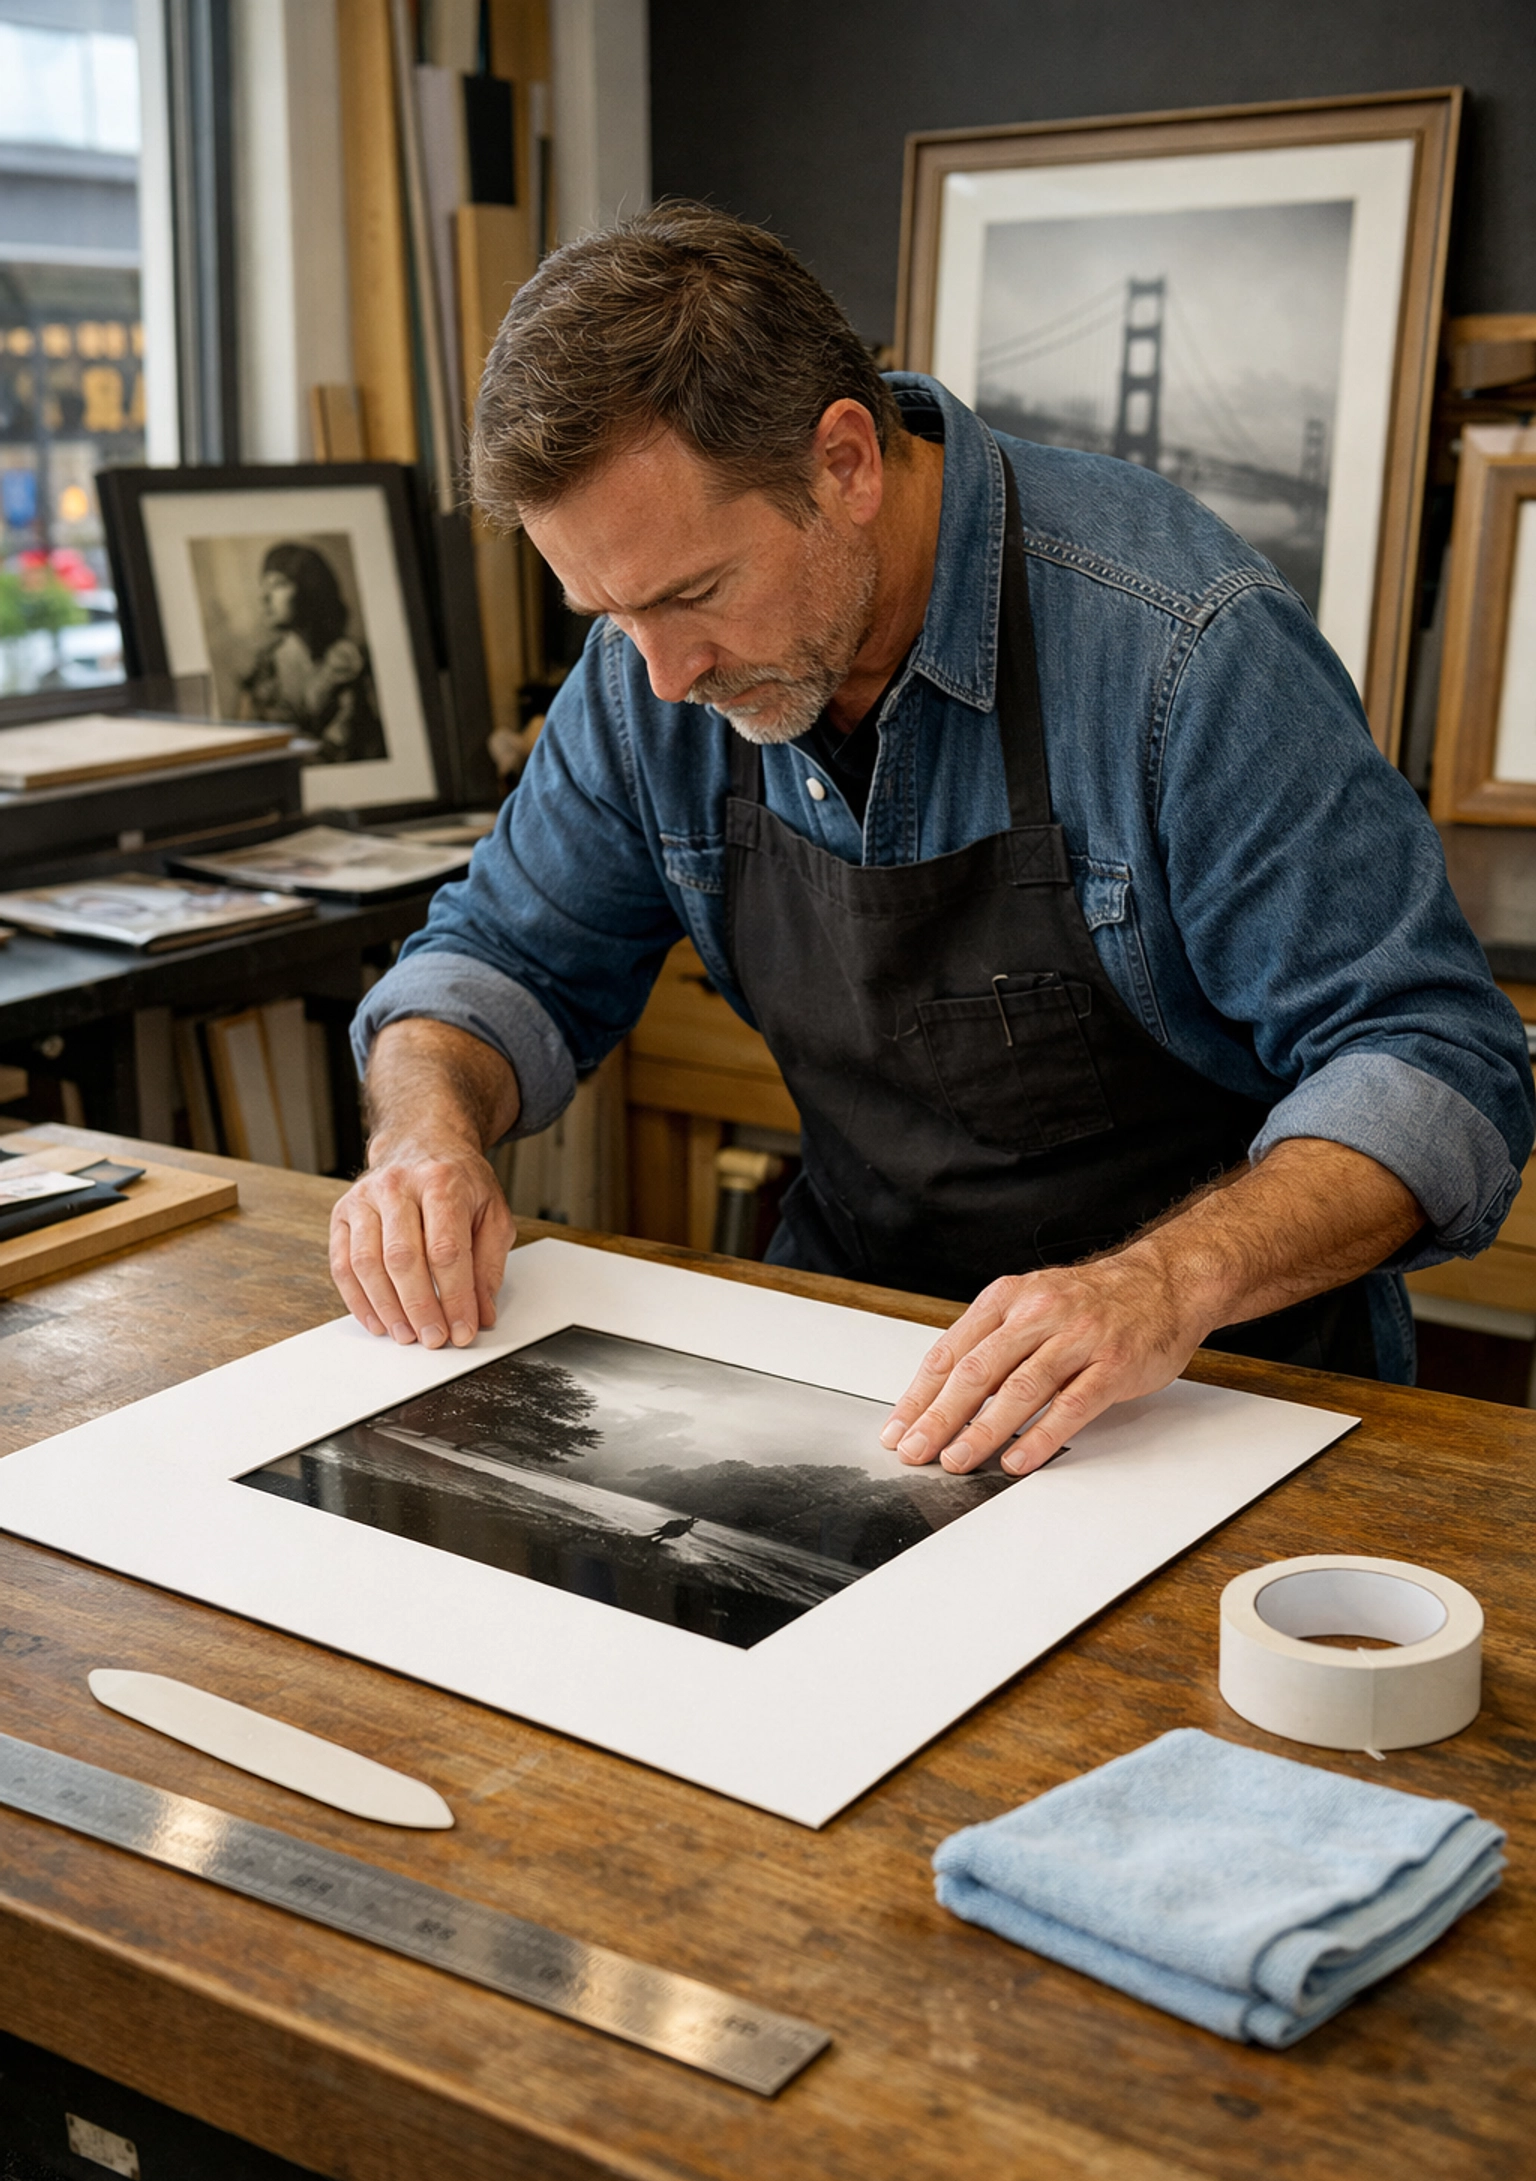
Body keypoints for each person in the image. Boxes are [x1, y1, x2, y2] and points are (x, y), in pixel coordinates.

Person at [331, 203, 1534, 1481]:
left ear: (847, 462)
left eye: (694, 595)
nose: (665, 676)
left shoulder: (1184, 649)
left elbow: (1438, 1059)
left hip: (1213, 1388)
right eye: (608, 612)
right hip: (863, 1362)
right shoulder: (648, 675)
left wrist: (1160, 1284)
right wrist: (425, 1137)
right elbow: (501, 959)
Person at [241, 540, 384, 763]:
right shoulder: (264, 669)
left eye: (278, 584)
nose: (265, 597)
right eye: (264, 586)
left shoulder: (348, 661)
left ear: (309, 588)